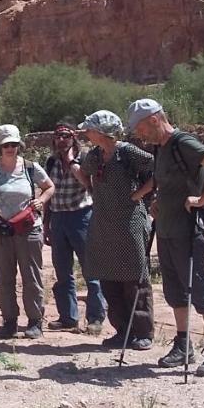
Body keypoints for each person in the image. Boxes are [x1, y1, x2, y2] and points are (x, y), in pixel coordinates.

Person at [127, 98, 204, 377]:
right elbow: (167, 183)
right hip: (166, 228)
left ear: (154, 119)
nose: (138, 134)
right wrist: (158, 202)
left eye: (139, 127)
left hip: (189, 230)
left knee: (199, 287)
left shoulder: (183, 143)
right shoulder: (160, 148)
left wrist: (202, 199)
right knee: (174, 289)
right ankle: (183, 343)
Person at [74, 111, 156, 351]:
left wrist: (140, 194)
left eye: (89, 129)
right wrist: (86, 183)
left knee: (134, 277)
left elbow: (157, 169)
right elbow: (83, 172)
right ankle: (122, 331)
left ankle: (143, 333)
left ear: (101, 132)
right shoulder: (95, 155)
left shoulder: (128, 152)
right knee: (109, 277)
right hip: (103, 222)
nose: (86, 133)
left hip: (130, 221)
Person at [0, 124, 55, 339]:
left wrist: (42, 201)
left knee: (32, 276)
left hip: (28, 229)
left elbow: (49, 186)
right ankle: (9, 321)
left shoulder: (30, 167)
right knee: (4, 277)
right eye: (6, 145)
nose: (10, 148)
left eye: (14, 144)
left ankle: (35, 321)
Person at [43, 123, 106, 332]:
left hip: (81, 217)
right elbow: (48, 193)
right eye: (58, 136)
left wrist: (70, 161)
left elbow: (88, 184)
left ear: (74, 138)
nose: (62, 140)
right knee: (62, 271)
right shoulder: (51, 161)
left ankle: (95, 318)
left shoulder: (84, 158)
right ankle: (68, 317)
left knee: (91, 269)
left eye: (66, 136)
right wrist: (46, 223)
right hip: (58, 218)